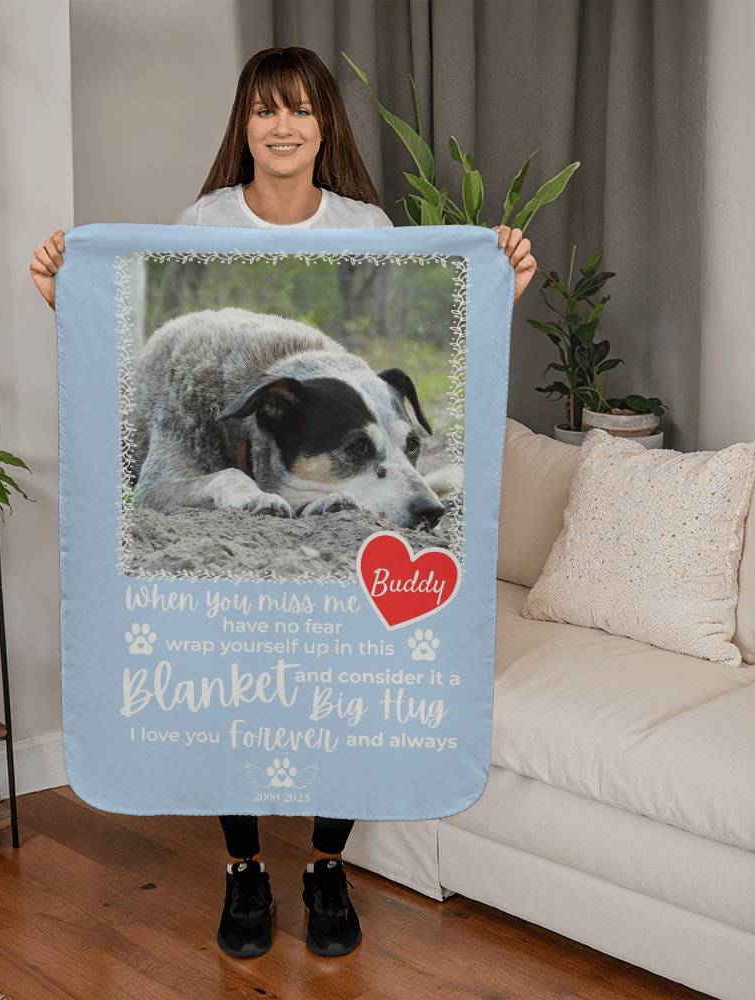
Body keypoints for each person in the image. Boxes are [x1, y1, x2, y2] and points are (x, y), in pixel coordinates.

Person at [30, 46, 536, 962]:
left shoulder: (368, 222)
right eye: (265, 109)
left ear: (324, 124)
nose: (283, 126)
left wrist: (502, 278)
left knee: (345, 672)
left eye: (301, 109)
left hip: (306, 404)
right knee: (233, 657)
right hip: (253, 407)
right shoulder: (202, 220)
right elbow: (117, 318)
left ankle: (328, 864)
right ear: (246, 125)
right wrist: (64, 288)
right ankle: (243, 868)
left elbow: (456, 289)